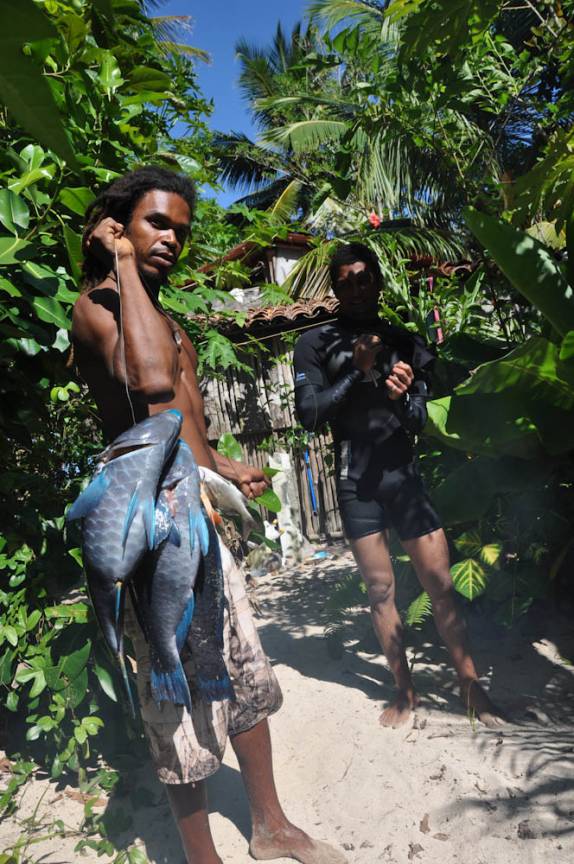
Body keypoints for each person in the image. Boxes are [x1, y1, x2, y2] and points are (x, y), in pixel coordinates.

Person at [72, 166, 347, 864]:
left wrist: (222, 466)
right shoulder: (100, 306)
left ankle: (271, 826)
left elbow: (183, 419)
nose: (169, 239)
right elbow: (149, 381)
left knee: (245, 673)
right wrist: (123, 268)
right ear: (117, 226)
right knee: (177, 692)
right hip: (151, 528)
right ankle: (203, 859)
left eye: (179, 231)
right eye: (154, 223)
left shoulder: (162, 314)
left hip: (202, 520)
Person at [293, 242, 504, 729]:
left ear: (378, 281)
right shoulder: (315, 344)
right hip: (356, 481)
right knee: (380, 588)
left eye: (362, 278)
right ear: (334, 290)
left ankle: (471, 686)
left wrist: (403, 394)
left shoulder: (405, 342)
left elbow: (417, 420)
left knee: (441, 583)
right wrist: (358, 372)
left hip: (402, 475)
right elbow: (309, 414)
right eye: (343, 282)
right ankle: (404, 690)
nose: (354, 288)